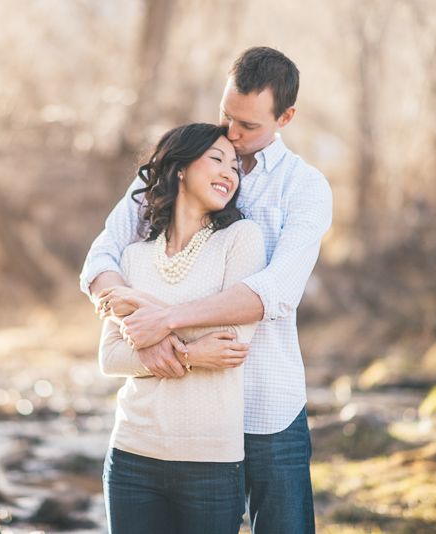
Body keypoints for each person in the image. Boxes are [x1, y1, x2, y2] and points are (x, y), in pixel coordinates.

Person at [81, 47, 333, 534]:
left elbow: (274, 292)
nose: (233, 136)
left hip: (265, 405)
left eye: (249, 127)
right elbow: (103, 259)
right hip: (182, 417)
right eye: (226, 116)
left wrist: (166, 322)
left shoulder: (304, 188)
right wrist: (146, 335)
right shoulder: (185, 160)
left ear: (286, 117)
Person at [97, 123, 265, 534]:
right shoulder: (134, 257)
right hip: (133, 455)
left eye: (235, 167)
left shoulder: (240, 240)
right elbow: (111, 356)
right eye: (217, 160)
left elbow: (230, 345)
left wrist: (147, 311)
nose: (230, 172)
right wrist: (191, 353)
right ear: (180, 169)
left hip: (210, 462)